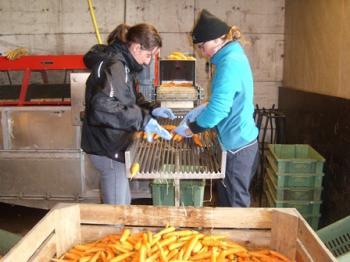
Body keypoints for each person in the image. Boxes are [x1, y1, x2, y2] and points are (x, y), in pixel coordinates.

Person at [81, 23, 175, 205]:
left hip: (114, 143)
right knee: (118, 210)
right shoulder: (114, 65)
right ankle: (115, 231)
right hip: (107, 146)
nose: (148, 62)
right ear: (137, 47)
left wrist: (151, 108)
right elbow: (102, 107)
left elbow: (128, 97)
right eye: (148, 55)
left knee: (123, 202)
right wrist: (142, 120)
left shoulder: (124, 66)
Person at [175, 9, 259, 207]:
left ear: (218, 40)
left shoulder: (229, 63)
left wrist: (192, 128)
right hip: (235, 141)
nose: (202, 52)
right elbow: (230, 98)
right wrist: (206, 106)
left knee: (236, 205)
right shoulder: (232, 56)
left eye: (203, 46)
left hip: (237, 148)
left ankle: (238, 238)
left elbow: (220, 109)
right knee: (225, 197)